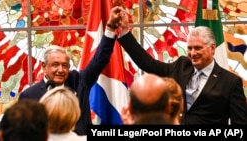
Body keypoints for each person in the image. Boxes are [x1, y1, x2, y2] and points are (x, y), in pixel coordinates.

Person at [116, 10, 247, 124]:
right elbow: (148, 64)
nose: (193, 53)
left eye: (198, 48)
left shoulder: (230, 82)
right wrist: (125, 33)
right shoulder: (182, 66)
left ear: (212, 48)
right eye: (189, 48)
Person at [18, 6, 125, 135]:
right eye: (55, 65)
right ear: (44, 67)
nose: (60, 70)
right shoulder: (29, 95)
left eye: (65, 65)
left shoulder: (79, 82)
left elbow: (99, 60)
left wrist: (109, 29)